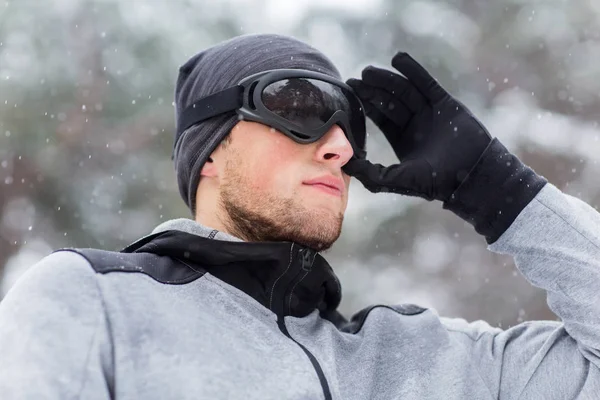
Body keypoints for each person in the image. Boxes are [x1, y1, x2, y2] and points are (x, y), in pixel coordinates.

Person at [0, 32, 598, 400]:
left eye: (350, 127)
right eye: (300, 106)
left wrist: (500, 190)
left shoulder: (429, 360)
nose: (340, 147)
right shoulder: (93, 302)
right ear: (209, 152)